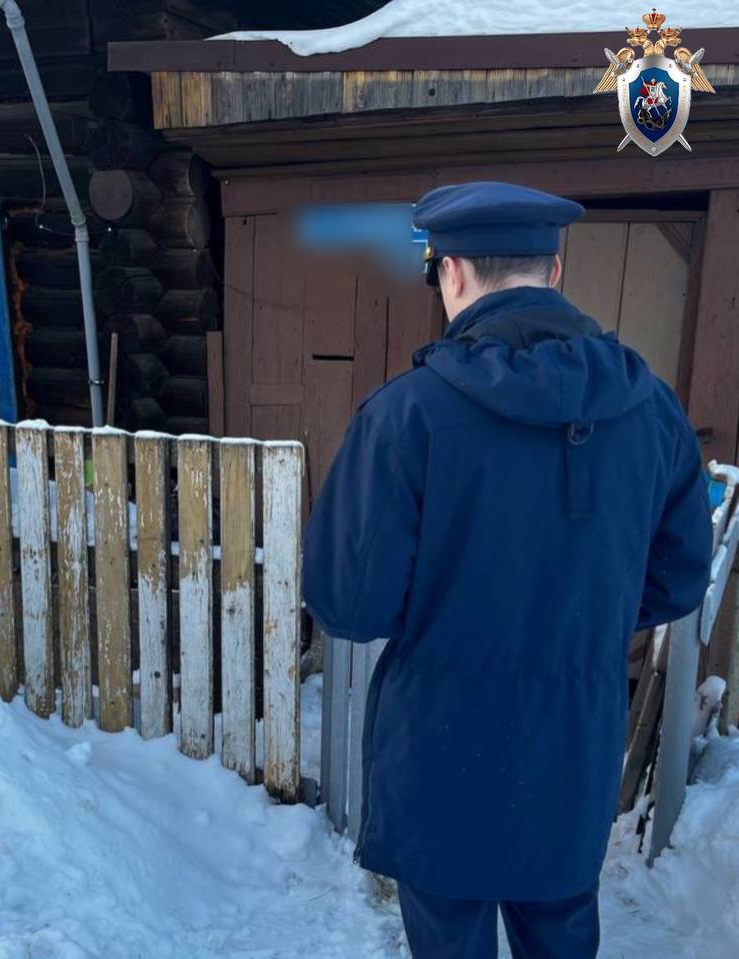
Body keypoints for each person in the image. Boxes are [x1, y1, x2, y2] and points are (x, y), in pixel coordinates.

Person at [302, 181, 713, 958]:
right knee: (560, 932)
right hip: (571, 744)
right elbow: (679, 577)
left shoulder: (405, 416)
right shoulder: (652, 411)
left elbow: (349, 603)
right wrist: (583, 611)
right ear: (553, 272)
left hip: (440, 751)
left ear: (450, 272)